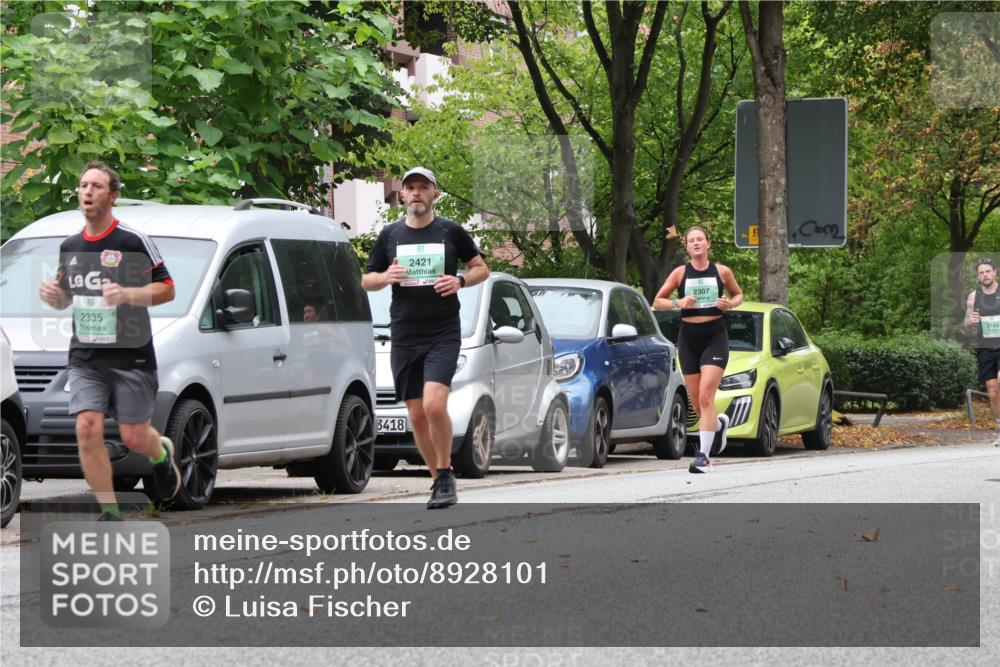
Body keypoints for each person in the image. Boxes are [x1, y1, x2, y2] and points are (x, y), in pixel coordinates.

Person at [38, 161, 180, 520]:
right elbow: (66, 297)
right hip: (86, 356)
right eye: (83, 185)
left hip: (131, 355)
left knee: (133, 437)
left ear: (113, 195)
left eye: (96, 186)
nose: (87, 191)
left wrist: (128, 294)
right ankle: (111, 512)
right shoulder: (71, 246)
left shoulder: (132, 241)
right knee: (87, 427)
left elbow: (167, 289)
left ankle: (161, 454)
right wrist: (55, 297)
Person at [362, 167, 490, 508]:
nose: (417, 192)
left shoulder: (450, 231)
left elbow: (481, 268)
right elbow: (367, 280)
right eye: (411, 188)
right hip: (405, 334)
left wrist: (460, 281)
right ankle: (439, 481)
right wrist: (386, 277)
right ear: (402, 195)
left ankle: (445, 470)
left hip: (442, 332)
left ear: (435, 194)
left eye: (423, 187)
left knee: (434, 405)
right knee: (417, 414)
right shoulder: (390, 235)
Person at [653, 225, 743, 472]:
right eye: (691, 240)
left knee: (705, 396)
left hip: (715, 337)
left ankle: (703, 458)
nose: (695, 243)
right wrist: (678, 302)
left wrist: (729, 304)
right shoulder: (680, 273)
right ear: (687, 246)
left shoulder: (722, 272)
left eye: (700, 239)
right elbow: (657, 302)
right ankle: (718, 427)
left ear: (708, 243)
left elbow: (738, 295)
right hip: (688, 339)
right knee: (696, 401)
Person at [965, 257, 1000, 446]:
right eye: (981, 272)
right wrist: (971, 321)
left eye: (988, 271)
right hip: (985, 347)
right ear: (978, 276)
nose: (985, 275)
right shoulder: (973, 296)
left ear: (995, 272)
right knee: (993, 391)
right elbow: (966, 324)